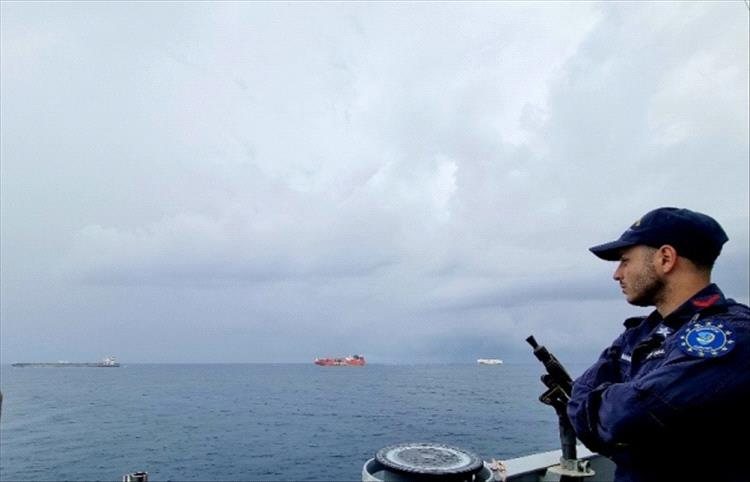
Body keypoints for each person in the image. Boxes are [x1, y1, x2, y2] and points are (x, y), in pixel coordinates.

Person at [566, 207, 750, 482]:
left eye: (625, 261)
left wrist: (609, 414)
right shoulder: (639, 334)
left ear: (666, 258)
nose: (617, 274)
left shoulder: (733, 334)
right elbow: (579, 395)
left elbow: (629, 416)